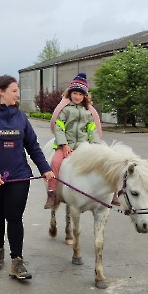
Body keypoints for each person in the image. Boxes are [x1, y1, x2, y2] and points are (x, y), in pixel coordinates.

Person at [0, 75, 54, 280]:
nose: (18, 94)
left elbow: (32, 145)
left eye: (18, 91)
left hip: (18, 175)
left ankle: (17, 261)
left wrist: (45, 169)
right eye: (14, 90)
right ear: (1, 91)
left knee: (14, 217)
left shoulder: (20, 117)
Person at [44, 72, 101, 209]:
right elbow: (59, 128)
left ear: (85, 96)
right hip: (66, 145)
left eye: (81, 94)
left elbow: (92, 129)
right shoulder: (65, 110)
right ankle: (52, 193)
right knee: (55, 162)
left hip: (83, 145)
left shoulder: (88, 112)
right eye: (75, 93)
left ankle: (112, 192)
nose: (77, 96)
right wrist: (64, 145)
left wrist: (94, 142)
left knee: (100, 162)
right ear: (70, 94)